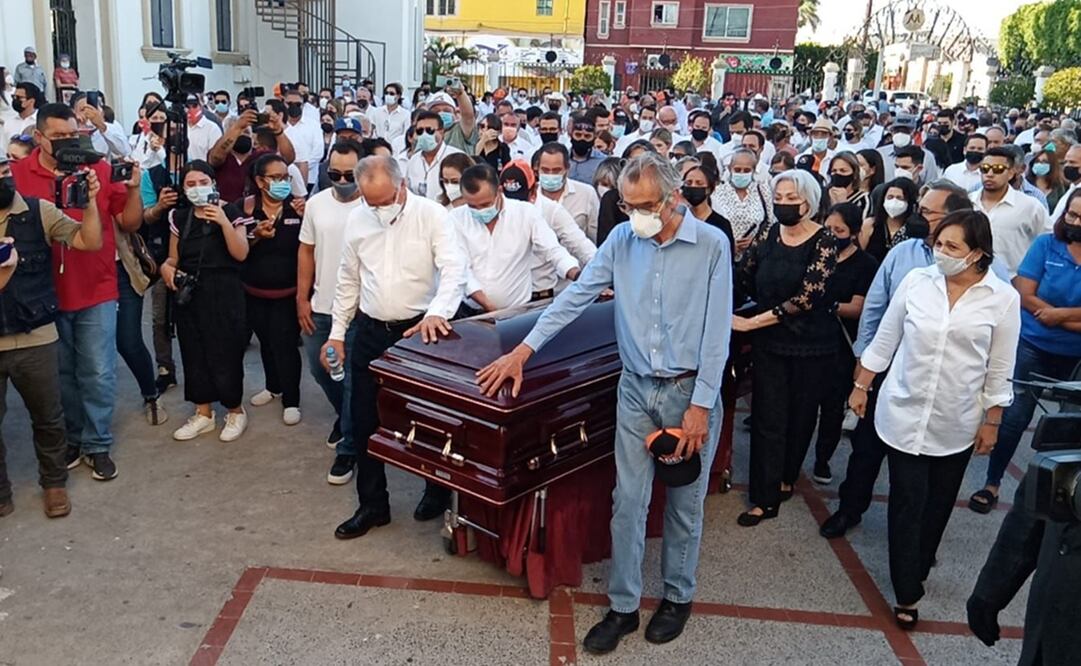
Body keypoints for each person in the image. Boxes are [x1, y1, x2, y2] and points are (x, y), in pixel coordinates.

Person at [477, 151, 732, 654]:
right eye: (627, 204)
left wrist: (701, 406)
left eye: (645, 206)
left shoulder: (710, 245)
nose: (635, 214)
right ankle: (623, 606)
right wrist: (524, 350)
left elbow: (717, 334)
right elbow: (574, 299)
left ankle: (678, 597)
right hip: (636, 388)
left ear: (673, 198)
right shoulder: (622, 240)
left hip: (687, 392)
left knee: (683, 502)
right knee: (627, 502)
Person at [850, 209, 1019, 630]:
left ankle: (919, 563)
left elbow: (1000, 367)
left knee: (938, 504)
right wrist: (862, 385)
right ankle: (907, 589)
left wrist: (992, 421)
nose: (940, 253)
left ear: (977, 253)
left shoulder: (1002, 298)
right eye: (937, 244)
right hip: (902, 409)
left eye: (951, 247)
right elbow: (887, 337)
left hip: (957, 419)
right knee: (907, 502)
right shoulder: (917, 282)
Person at [818, 180, 1006, 540]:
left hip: (941, 380)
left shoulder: (986, 271)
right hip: (887, 366)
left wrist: (992, 415)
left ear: (956, 217)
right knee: (866, 448)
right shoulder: (903, 254)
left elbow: (997, 336)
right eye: (920, 208)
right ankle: (849, 508)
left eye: (929, 211)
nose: (919, 215)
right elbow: (875, 307)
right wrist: (863, 362)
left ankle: (917, 540)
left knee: (926, 468)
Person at [324, 155, 467, 539]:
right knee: (364, 417)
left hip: (422, 331)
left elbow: (455, 269)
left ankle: (436, 488)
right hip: (370, 330)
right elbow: (348, 279)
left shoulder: (432, 216)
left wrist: (437, 313)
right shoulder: (358, 219)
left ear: (402, 186)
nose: (379, 209)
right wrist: (337, 332)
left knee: (428, 419)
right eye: (372, 202)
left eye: (386, 200)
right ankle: (373, 505)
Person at [12, 103, 143, 481]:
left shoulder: (98, 167)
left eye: (74, 135)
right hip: (41, 292)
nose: (69, 143)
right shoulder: (19, 175)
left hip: (97, 286)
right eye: (59, 137)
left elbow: (130, 222)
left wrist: (132, 190)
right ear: (38, 137)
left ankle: (98, 443)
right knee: (61, 373)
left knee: (98, 371)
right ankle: (73, 438)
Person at [0, 155, 104, 518]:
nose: (3, 178)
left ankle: (54, 483)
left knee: (48, 415)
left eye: (4, 170)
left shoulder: (36, 211)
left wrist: (89, 202)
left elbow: (88, 241)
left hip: (36, 336)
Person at [733, 169, 838, 526]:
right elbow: (743, 276)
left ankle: (786, 476)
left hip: (810, 342)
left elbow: (806, 297)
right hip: (769, 341)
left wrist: (752, 322)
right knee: (768, 416)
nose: (784, 205)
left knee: (801, 415)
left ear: (808, 200)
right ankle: (764, 498)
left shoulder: (824, 241)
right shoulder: (767, 233)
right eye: (779, 199)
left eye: (791, 199)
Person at [968, 189, 1081, 514]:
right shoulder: (1047, 245)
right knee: (1015, 416)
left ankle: (1056, 491)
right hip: (1034, 345)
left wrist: (1058, 316)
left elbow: (1043, 308)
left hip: (1075, 357)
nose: (1075, 222)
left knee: (1069, 424)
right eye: (1071, 214)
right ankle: (992, 482)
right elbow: (1025, 292)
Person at [162, 161, 251, 442]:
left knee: (225, 352)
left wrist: (223, 220)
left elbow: (241, 253)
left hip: (224, 292)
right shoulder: (179, 216)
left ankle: (235, 410)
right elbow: (173, 257)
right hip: (190, 293)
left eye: (203, 182)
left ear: (213, 183)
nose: (197, 189)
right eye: (191, 184)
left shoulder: (231, 211)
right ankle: (203, 413)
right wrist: (166, 267)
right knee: (193, 351)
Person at [298, 140, 367, 484]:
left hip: (358, 310)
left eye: (349, 174)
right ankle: (346, 417)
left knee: (352, 380)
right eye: (334, 174)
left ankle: (349, 449)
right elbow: (306, 252)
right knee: (320, 369)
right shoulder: (316, 205)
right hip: (321, 304)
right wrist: (302, 297)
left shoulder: (373, 206)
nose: (341, 180)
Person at [230, 153, 306, 425]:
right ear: (260, 181)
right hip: (253, 291)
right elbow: (236, 251)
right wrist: (255, 237)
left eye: (285, 177)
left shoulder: (298, 209)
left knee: (285, 344)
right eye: (275, 178)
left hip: (289, 293)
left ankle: (292, 399)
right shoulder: (246, 209)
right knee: (266, 341)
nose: (282, 182)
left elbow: (308, 252)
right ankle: (273, 386)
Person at [453, 163, 580, 313]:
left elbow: (553, 250)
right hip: (471, 313)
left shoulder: (525, 213)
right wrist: (487, 305)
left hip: (517, 312)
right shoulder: (455, 219)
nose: (480, 211)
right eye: (472, 207)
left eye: (485, 204)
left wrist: (579, 277)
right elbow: (459, 269)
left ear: (499, 191)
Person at [811, 203, 878, 484]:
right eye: (828, 228)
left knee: (832, 405)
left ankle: (822, 458)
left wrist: (826, 304)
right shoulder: (815, 254)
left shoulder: (865, 264)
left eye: (839, 230)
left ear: (853, 233)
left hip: (841, 343)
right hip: (809, 338)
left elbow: (859, 307)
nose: (832, 234)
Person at [970, 147, 1051, 276]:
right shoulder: (967, 202)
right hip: (972, 280)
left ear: (1011, 173)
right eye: (984, 169)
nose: (989, 174)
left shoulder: (1030, 206)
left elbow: (1048, 242)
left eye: (998, 169)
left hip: (1014, 281)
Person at [208, 109, 295, 203]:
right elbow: (216, 158)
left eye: (246, 132)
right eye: (237, 133)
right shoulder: (222, 156)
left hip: (256, 210)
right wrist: (237, 127)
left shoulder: (261, 155)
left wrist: (278, 132)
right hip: (226, 210)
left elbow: (288, 158)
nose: (241, 135)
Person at [535, 143, 601, 243]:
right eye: (545, 170)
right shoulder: (530, 196)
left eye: (556, 170)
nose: (550, 174)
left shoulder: (586, 193)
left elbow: (595, 236)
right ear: (537, 169)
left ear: (567, 169)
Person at [712, 148, 772, 260]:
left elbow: (771, 223)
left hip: (754, 258)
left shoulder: (763, 191)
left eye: (747, 170)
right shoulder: (717, 193)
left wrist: (755, 241)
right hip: (723, 255)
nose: (742, 173)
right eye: (738, 169)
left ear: (754, 170)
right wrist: (729, 244)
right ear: (730, 169)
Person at [859, 177, 923, 262]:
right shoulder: (870, 225)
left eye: (899, 198)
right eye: (890, 197)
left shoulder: (914, 229)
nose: (894, 201)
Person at [406, 110, 464, 201]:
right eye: (420, 131)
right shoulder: (413, 160)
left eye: (429, 130)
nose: (424, 135)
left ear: (441, 132)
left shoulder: (457, 157)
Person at [679, 158, 733, 250]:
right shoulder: (679, 220)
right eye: (689, 183)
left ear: (709, 189)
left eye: (699, 183)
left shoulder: (721, 224)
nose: (693, 186)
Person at [70, 92, 129, 159]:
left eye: (93, 109)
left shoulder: (111, 126)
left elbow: (124, 151)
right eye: (83, 109)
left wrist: (101, 125)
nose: (88, 113)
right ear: (74, 112)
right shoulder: (69, 130)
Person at [827, 152, 872, 218]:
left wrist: (843, 205)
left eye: (843, 170)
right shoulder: (823, 195)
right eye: (834, 171)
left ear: (854, 174)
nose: (838, 174)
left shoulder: (863, 200)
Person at [1026, 144, 1067, 214]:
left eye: (1044, 162)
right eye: (1037, 161)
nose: (1039, 164)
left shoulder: (1058, 187)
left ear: (1052, 165)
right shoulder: (1025, 184)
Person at [184, 95, 224, 163]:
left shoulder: (212, 129)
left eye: (194, 106)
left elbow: (215, 156)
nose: (191, 110)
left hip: (203, 170)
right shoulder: (180, 126)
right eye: (187, 106)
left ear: (201, 106)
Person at [567, 118, 606, 185]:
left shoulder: (603, 162)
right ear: (571, 135)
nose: (582, 139)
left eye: (587, 136)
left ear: (594, 137)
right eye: (578, 135)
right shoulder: (562, 157)